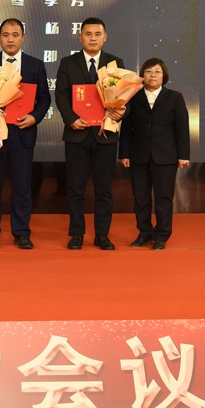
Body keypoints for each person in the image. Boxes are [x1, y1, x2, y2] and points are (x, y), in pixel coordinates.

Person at [0, 19, 51, 250]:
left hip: (22, 132)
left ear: (23, 37)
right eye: (5, 35)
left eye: (15, 35)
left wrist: (34, 117)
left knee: (22, 186)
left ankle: (22, 232)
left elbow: (44, 98)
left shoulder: (35, 65)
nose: (10, 39)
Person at [54, 17, 125, 250]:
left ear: (105, 37)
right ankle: (77, 233)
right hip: (77, 133)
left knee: (104, 189)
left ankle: (102, 235)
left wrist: (120, 112)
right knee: (75, 188)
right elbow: (61, 95)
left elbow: (123, 95)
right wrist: (71, 119)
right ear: (80, 37)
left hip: (105, 135)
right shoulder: (68, 62)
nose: (92, 38)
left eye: (97, 34)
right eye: (88, 34)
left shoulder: (115, 63)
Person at [118, 57, 190, 250]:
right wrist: (124, 153)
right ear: (143, 75)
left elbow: (182, 129)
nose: (153, 75)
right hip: (138, 155)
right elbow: (127, 128)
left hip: (166, 156)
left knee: (164, 198)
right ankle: (144, 232)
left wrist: (183, 155)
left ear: (164, 75)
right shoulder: (133, 96)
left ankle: (161, 235)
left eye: (157, 71)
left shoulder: (175, 97)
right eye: (148, 71)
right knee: (140, 198)